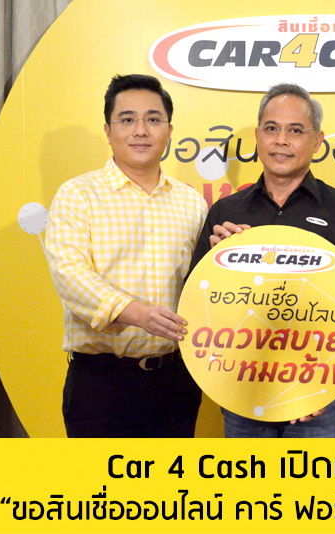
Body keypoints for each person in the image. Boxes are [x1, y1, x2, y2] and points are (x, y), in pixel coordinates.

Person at [188, 83, 335, 438]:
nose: (281, 140)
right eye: (272, 128)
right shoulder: (226, 213)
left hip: (319, 400)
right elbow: (197, 306)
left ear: (317, 141)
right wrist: (218, 262)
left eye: (296, 130)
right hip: (242, 392)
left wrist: (319, 386)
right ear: (258, 137)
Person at [45, 74, 208, 437]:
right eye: (127, 119)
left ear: (169, 130)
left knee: (170, 477)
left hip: (176, 380)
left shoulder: (192, 203)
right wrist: (139, 314)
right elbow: (70, 275)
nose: (141, 131)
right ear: (108, 130)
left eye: (153, 119)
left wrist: (230, 250)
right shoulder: (78, 194)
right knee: (98, 476)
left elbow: (203, 281)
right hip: (101, 382)